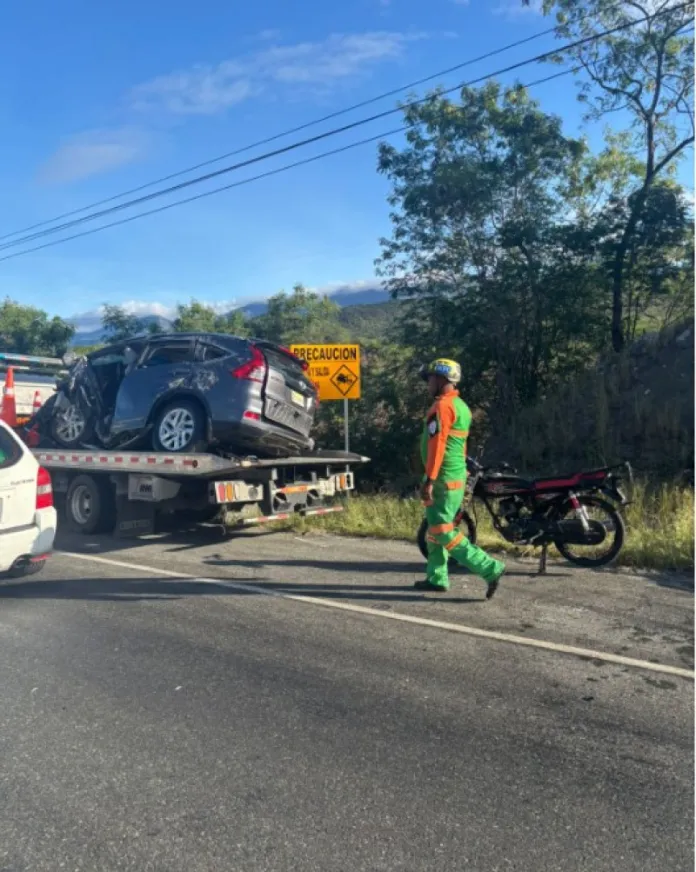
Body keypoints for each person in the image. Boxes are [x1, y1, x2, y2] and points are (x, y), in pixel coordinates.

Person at [415, 358, 505, 598]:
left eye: (430, 379)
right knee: (436, 529)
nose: (428, 384)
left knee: (443, 531)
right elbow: (461, 445)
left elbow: (438, 445)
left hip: (442, 478)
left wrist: (430, 479)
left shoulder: (442, 408)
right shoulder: (462, 407)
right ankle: (437, 577)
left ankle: (489, 567)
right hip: (454, 476)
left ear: (442, 379)